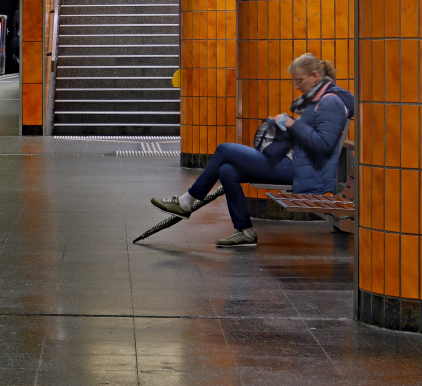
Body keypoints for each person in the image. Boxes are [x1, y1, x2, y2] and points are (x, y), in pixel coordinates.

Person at [151, 53, 354, 247]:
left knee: (223, 150)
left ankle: (186, 203)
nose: (296, 86)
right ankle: (245, 232)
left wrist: (293, 124)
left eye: (299, 80)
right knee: (227, 171)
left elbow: (324, 145)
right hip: (291, 161)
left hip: (301, 169)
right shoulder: (320, 100)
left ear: (315, 76)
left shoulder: (330, 102)